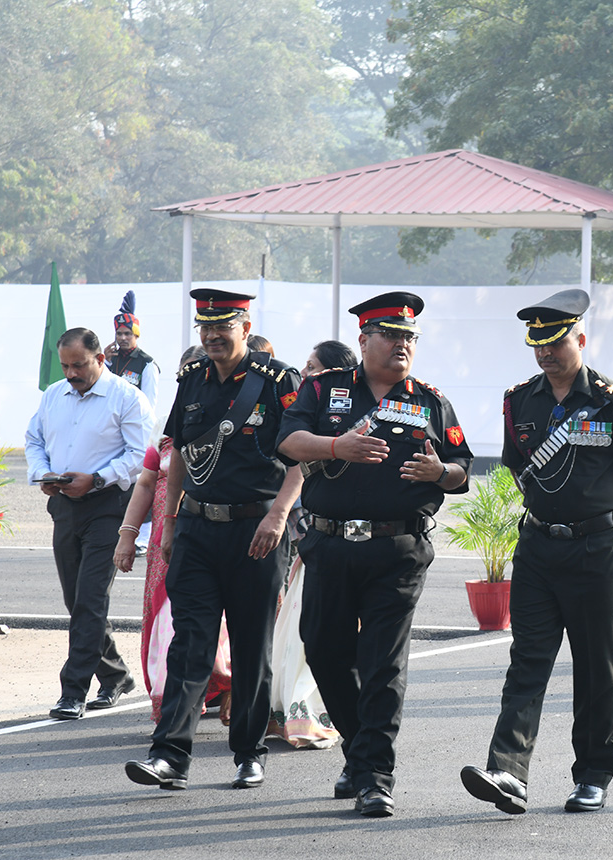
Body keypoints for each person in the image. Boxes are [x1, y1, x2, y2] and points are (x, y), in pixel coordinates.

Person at [276, 292, 474, 818]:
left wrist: (441, 474)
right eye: (391, 335)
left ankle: (374, 776)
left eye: (409, 336)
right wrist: (337, 446)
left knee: (383, 664)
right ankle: (360, 750)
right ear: (364, 340)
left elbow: (461, 470)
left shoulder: (430, 401)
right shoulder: (323, 389)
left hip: (398, 550)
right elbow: (289, 441)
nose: (402, 344)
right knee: (322, 649)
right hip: (330, 545)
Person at [461, 289, 613, 816]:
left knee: (597, 667)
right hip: (539, 546)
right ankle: (507, 770)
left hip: (597, 550)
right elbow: (517, 470)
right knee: (527, 660)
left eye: (555, 343)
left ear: (580, 339)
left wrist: (605, 525)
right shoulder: (520, 400)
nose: (545, 354)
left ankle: (592, 774)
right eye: (537, 345)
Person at [124, 289, 303, 792]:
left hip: (257, 532)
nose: (212, 336)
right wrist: (172, 522)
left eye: (223, 327)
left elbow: (300, 461)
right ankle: (169, 756)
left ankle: (249, 751)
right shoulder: (192, 379)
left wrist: (278, 517)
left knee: (250, 646)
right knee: (190, 643)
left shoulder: (278, 381)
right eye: (205, 328)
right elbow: (178, 452)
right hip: (198, 530)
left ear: (245, 327)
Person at [25, 327, 152, 719]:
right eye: (65, 365)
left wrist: (96, 479)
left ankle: (73, 691)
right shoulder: (53, 395)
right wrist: (43, 473)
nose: (71, 373)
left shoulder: (127, 398)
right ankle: (114, 675)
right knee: (76, 602)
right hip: (64, 506)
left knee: (91, 599)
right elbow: (33, 439)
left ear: (101, 358)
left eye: (78, 365)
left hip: (109, 508)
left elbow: (142, 456)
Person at [112, 346, 231, 723]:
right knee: (166, 622)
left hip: (218, 539)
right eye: (185, 376)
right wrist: (128, 536)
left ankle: (230, 691)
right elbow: (146, 483)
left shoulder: (234, 424)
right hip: (167, 546)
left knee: (223, 624)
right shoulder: (167, 426)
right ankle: (172, 709)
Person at [268, 338, 356, 750]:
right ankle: (290, 708)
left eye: (313, 367)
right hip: (310, 540)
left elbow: (300, 475)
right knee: (299, 628)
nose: (304, 375)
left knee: (322, 635)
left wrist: (285, 516)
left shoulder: (344, 417)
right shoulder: (303, 414)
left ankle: (312, 710)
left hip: (340, 542)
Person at [104, 291, 160, 410]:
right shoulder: (111, 358)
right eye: (119, 334)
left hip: (133, 420)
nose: (123, 338)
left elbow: (149, 404)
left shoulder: (147, 363)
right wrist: (106, 363)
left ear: (136, 335)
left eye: (127, 334)